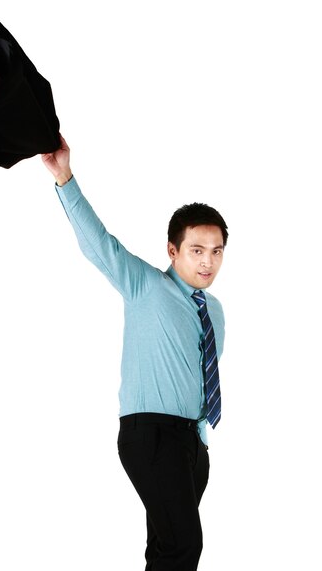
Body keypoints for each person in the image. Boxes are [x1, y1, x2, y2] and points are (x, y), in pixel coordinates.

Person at [42, 135, 228, 571]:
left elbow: (203, 375)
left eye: (216, 252)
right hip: (152, 435)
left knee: (166, 548)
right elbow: (99, 244)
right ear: (173, 250)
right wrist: (65, 177)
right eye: (197, 250)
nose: (207, 262)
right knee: (185, 545)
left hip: (191, 442)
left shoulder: (213, 311)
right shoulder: (146, 286)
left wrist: (200, 438)